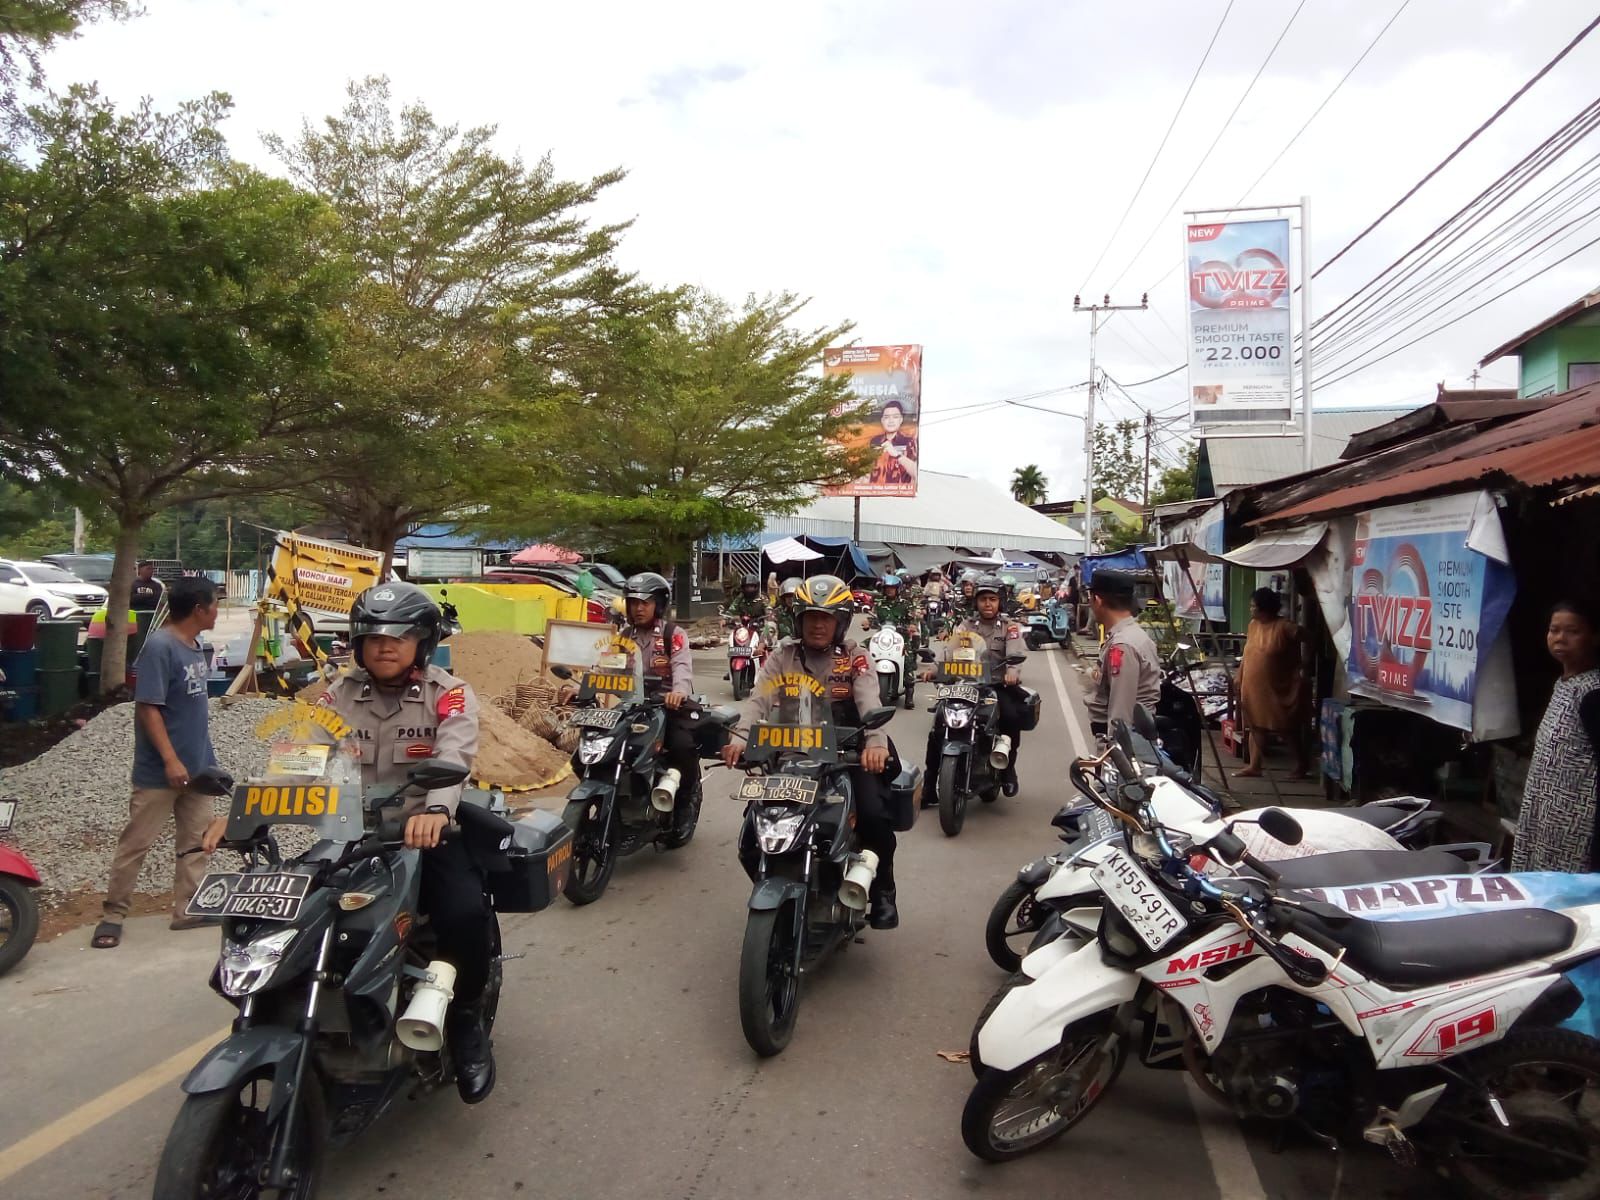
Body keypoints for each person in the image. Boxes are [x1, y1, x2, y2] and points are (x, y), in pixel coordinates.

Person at [203, 583, 493, 1102]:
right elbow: (302, 757)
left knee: (463, 912)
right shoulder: (336, 695)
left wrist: (433, 810)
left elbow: (456, 754)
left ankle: (467, 1021)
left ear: (422, 643)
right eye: (373, 636)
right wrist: (245, 813)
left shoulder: (449, 692)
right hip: (348, 833)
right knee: (295, 909)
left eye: (399, 636)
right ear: (357, 642)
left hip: (421, 832)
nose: (385, 646)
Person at [721, 575, 902, 929]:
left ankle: (883, 891)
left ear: (840, 621)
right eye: (810, 616)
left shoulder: (855, 658)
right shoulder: (783, 655)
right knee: (754, 831)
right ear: (798, 619)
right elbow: (759, 699)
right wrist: (741, 737)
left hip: (849, 753)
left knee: (873, 815)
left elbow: (869, 701)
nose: (818, 624)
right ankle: (780, 881)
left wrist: (875, 744)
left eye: (826, 617)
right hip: (792, 753)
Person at [92, 576, 221, 951]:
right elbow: (148, 709)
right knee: (136, 842)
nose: (217, 610)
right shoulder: (160, 647)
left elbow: (193, 711)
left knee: (196, 843)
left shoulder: (196, 645)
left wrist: (205, 760)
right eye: (214, 604)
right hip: (162, 771)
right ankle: (113, 915)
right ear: (198, 609)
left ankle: (188, 909)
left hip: (197, 769)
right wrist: (170, 760)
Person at [569, 572, 702, 841]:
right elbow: (606, 668)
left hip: (667, 707)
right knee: (589, 750)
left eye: (645, 602)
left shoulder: (672, 635)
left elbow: (682, 670)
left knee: (682, 746)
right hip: (631, 707)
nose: (638, 608)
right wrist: (582, 687)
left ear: (659, 604)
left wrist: (677, 693)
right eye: (633, 602)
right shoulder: (623, 637)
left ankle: (685, 804)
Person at [921, 573, 1030, 800]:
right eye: (983, 599)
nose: (987, 604)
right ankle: (930, 782)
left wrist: (1012, 672)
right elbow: (949, 651)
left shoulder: (1009, 627)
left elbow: (1015, 654)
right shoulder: (966, 626)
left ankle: (1008, 770)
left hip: (997, 685)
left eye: (992, 599)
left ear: (1000, 601)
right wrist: (934, 669)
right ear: (976, 602)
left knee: (1010, 716)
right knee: (939, 724)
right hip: (965, 684)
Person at [1511, 601, 1600, 873]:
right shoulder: (1564, 683)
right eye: (1554, 630)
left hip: (1576, 824)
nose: (1560, 638)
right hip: (1546, 816)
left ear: (1594, 637)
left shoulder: (1593, 693)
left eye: (1572, 631)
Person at [1237, 587, 1310, 779]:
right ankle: (1255, 766)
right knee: (1255, 725)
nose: (1251, 609)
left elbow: (1306, 637)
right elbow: (1247, 652)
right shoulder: (1253, 625)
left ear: (1265, 608)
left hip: (1277, 686)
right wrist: (1239, 675)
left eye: (1254, 606)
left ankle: (1301, 764)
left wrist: (1303, 665)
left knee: (1285, 727)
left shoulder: (1284, 626)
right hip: (1253, 686)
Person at [1085, 570, 1161, 734]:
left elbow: (1121, 712)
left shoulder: (1122, 645)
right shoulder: (1134, 636)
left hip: (1124, 745)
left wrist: (1114, 752)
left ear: (1097, 600)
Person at [867, 400, 918, 489]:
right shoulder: (875, 441)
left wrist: (896, 455)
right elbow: (869, 469)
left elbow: (915, 473)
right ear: (882, 420)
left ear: (901, 420)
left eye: (895, 417)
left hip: (900, 492)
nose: (890, 421)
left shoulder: (908, 441)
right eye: (887, 417)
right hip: (875, 491)